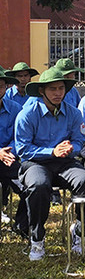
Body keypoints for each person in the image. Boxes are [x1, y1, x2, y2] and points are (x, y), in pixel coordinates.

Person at [15, 68, 85, 261]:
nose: (58, 93)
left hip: (65, 162)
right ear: (42, 91)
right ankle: (37, 238)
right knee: (39, 185)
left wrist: (70, 147)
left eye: (61, 88)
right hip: (35, 163)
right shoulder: (27, 115)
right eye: (53, 89)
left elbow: (80, 141)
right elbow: (23, 150)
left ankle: (79, 230)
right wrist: (51, 151)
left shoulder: (74, 113)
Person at [0, 69, 28, 238]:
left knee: (30, 186)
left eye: (1, 86)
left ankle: (21, 225)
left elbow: (20, 137)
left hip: (9, 159)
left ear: (6, 87)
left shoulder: (16, 109)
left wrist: (8, 153)